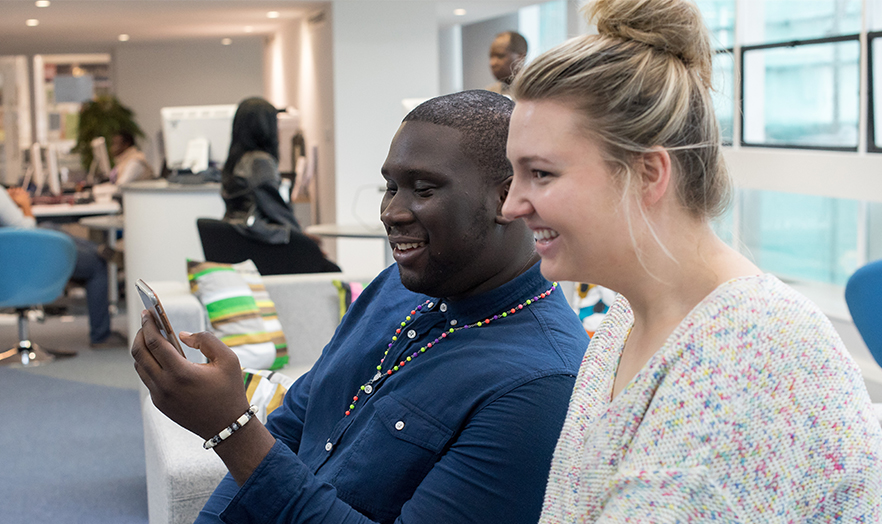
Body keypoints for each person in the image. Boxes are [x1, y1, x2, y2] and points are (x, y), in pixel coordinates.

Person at [502, 0, 882, 521]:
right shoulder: (628, 320)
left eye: (541, 174)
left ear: (648, 173)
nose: (511, 205)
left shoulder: (752, 354)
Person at [132, 90, 590, 524]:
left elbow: (257, 450)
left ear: (506, 199)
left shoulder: (543, 385)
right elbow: (291, 429)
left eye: (423, 189)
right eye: (390, 187)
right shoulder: (396, 286)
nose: (391, 211)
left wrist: (231, 427)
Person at [0, 186, 126, 349]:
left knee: (49, 227)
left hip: (9, 262)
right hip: (23, 263)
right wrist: (25, 205)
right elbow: (26, 228)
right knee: (96, 264)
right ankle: (101, 336)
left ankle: (99, 250)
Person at [220, 97, 303, 245]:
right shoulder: (259, 162)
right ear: (266, 128)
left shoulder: (235, 161)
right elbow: (275, 211)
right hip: (260, 240)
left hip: (238, 238)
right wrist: (302, 238)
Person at [486, 30, 528, 97]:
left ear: (521, 57)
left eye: (500, 56)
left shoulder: (535, 92)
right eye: (491, 56)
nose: (493, 63)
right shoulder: (489, 94)